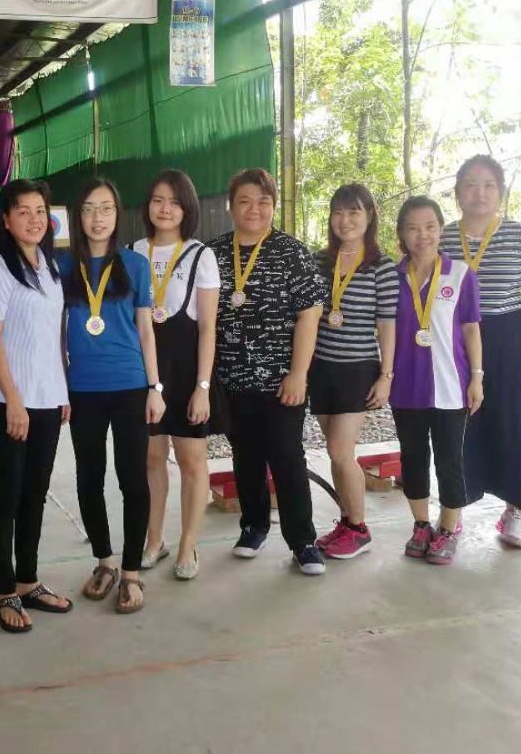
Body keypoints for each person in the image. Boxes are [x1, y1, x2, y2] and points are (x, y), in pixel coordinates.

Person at [210, 168, 328, 576]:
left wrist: (299, 374)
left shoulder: (292, 252)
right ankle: (253, 526)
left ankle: (303, 541)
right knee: (245, 456)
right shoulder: (214, 254)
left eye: (263, 201)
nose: (254, 209)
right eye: (244, 201)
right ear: (231, 206)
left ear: (273, 206)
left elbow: (310, 315)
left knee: (287, 457)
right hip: (231, 379)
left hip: (282, 381)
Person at [61, 177, 165, 615]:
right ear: (77, 216)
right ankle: (104, 561)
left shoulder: (135, 264)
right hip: (82, 388)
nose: (97, 217)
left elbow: (146, 330)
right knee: (89, 477)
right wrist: (59, 385)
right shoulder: (63, 264)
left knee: (132, 479)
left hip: (129, 386)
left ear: (117, 214)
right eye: (88, 209)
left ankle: (132, 570)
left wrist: (155, 387)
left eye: (105, 208)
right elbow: (56, 330)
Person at [0, 179, 73, 633]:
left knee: (35, 494)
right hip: (10, 403)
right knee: (8, 497)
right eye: (23, 212)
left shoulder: (49, 267)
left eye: (40, 211)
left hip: (49, 400)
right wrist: (13, 400)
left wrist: (62, 391)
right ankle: (4, 592)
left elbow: (53, 336)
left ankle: (28, 580)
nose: (34, 220)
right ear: (6, 220)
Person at [440, 155, 521, 548]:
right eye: (470, 184)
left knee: (513, 422)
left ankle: (515, 511)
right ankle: (453, 511)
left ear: (500, 191)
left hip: (508, 337)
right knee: (457, 425)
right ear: (458, 193)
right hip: (455, 339)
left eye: (488, 185)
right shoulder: (442, 238)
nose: (480, 193)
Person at [132, 170, 221, 581]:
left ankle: (188, 544)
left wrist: (203, 387)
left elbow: (208, 327)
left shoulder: (201, 255)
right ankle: (154, 540)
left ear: (187, 208)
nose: (164, 209)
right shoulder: (133, 252)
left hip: (186, 369)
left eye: (173, 201)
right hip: (146, 370)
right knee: (151, 458)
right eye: (157, 200)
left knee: (191, 460)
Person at [391, 197, 484, 565]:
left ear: (441, 229)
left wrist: (477, 378)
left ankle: (447, 529)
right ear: (401, 233)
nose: (422, 235)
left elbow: (472, 329)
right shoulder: (392, 277)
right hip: (405, 388)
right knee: (412, 459)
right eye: (413, 228)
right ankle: (421, 526)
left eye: (430, 226)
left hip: (451, 387)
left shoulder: (460, 275)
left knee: (449, 460)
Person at [311, 184, 399, 560]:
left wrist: (386, 375)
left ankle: (360, 528)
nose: (345, 220)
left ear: (369, 217)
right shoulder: (319, 261)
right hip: (320, 368)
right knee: (335, 455)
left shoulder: (381, 266)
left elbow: (387, 325)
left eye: (354, 212)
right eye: (338, 212)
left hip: (358, 369)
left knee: (340, 450)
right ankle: (347, 522)